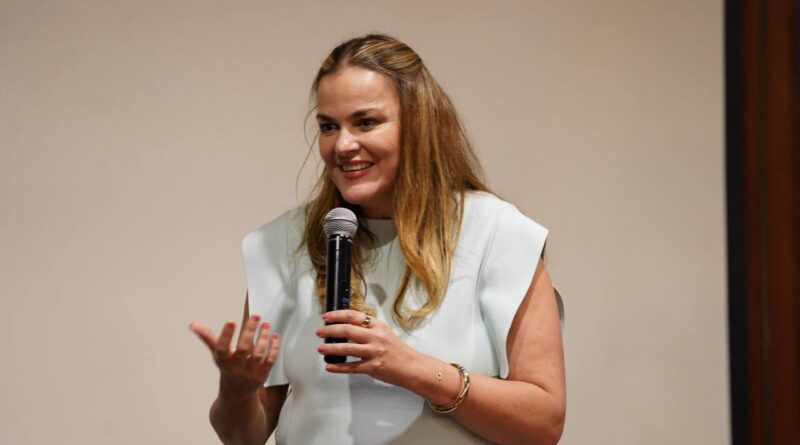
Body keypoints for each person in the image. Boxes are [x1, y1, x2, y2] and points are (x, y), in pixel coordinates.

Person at [190, 33, 565, 445]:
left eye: (366, 122)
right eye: (328, 126)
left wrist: (414, 369)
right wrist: (237, 392)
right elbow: (243, 438)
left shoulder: (496, 232)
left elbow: (543, 424)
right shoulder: (283, 244)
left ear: (418, 125)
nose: (342, 145)